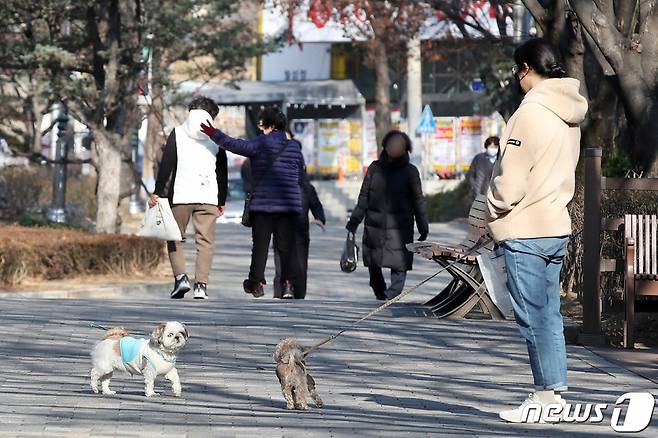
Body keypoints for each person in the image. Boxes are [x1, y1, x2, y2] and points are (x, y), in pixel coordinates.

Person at [486, 38, 588, 423]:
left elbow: (510, 183)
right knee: (549, 315)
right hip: (555, 225)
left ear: (526, 68)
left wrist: (492, 211)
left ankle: (546, 396)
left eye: (517, 70)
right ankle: (554, 393)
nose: (516, 77)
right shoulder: (570, 113)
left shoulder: (529, 114)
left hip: (526, 228)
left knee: (532, 316)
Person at [200, 108, 304, 299]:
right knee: (286, 247)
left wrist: (213, 133)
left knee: (260, 247)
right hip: (288, 206)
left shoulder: (260, 143)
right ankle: (288, 284)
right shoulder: (294, 148)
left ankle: (257, 283)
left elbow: (235, 145)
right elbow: (300, 176)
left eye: (262, 123)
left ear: (270, 125)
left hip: (263, 206)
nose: (260, 127)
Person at [150, 97, 228, 300]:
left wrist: (158, 191)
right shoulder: (216, 137)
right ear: (211, 115)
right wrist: (221, 199)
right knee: (205, 242)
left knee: (176, 237)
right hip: (209, 195)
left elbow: (167, 164)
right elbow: (222, 171)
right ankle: (201, 286)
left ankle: (181, 279)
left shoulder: (178, 133)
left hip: (181, 194)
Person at [346, 130, 429, 300]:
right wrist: (354, 221)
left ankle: (391, 296)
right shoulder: (374, 168)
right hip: (375, 226)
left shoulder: (410, 172)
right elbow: (363, 198)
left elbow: (418, 201)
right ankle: (380, 294)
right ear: (385, 146)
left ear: (406, 149)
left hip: (401, 227)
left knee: (399, 264)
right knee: (373, 262)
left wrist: (423, 226)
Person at [273, 131, 326, 299]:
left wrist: (319, 218)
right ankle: (283, 290)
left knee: (301, 265)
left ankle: (299, 295)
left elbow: (316, 204)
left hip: (301, 231)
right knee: (281, 264)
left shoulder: (307, 187)